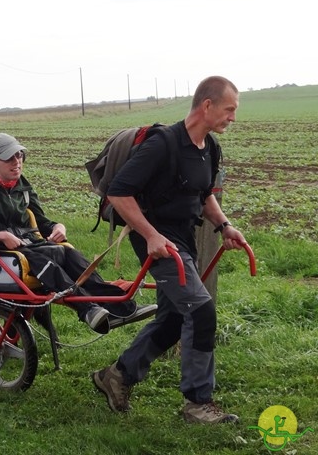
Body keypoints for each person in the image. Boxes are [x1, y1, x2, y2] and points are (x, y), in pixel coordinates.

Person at [91, 76, 246, 424]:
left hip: (182, 238)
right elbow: (119, 192)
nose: (233, 117)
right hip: (158, 242)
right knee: (201, 311)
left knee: (176, 317)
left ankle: (116, 375)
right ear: (207, 105)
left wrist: (224, 226)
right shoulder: (164, 144)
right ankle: (198, 403)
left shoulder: (210, 147)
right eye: (229, 109)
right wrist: (150, 235)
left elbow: (205, 194)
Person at [0, 133, 158, 334]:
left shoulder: (22, 185)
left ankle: (121, 309)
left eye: (20, 156)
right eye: (10, 158)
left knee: (70, 255)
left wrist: (57, 227)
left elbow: (41, 223)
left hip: (28, 245)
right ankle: (88, 310)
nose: (17, 162)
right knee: (44, 261)